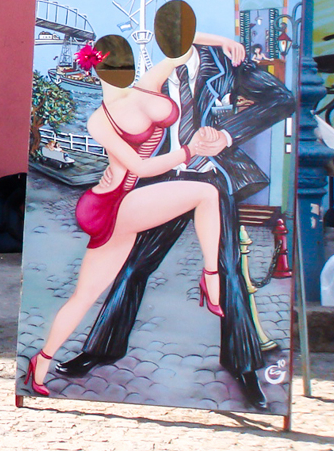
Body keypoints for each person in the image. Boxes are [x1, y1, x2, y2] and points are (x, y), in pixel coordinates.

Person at [52, 0, 295, 410]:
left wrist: (228, 135)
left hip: (212, 176)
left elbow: (282, 99)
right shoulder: (155, 70)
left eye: (178, 32)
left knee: (229, 270)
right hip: (168, 175)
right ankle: (101, 350)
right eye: (167, 33)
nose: (171, 40)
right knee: (133, 265)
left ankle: (243, 367)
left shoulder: (224, 64)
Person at [24, 32, 231, 396]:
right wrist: (189, 149)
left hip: (121, 201)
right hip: (110, 205)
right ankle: (210, 279)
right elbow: (140, 166)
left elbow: (179, 43)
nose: (124, 72)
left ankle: (39, 364)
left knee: (83, 296)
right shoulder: (99, 122)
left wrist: (223, 41)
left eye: (128, 65)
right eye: (115, 68)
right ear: (100, 71)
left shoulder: (148, 85)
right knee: (205, 193)